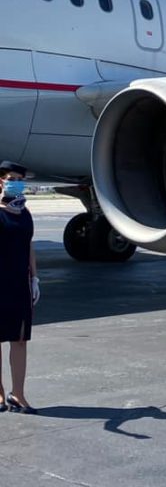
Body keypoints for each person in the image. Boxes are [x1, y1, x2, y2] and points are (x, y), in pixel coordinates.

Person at [0, 161, 40, 414]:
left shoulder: (24, 213)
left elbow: (29, 247)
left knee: (20, 340)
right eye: (11, 178)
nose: (16, 182)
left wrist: (35, 278)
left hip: (19, 283)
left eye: (19, 179)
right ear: (1, 181)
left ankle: (18, 394)